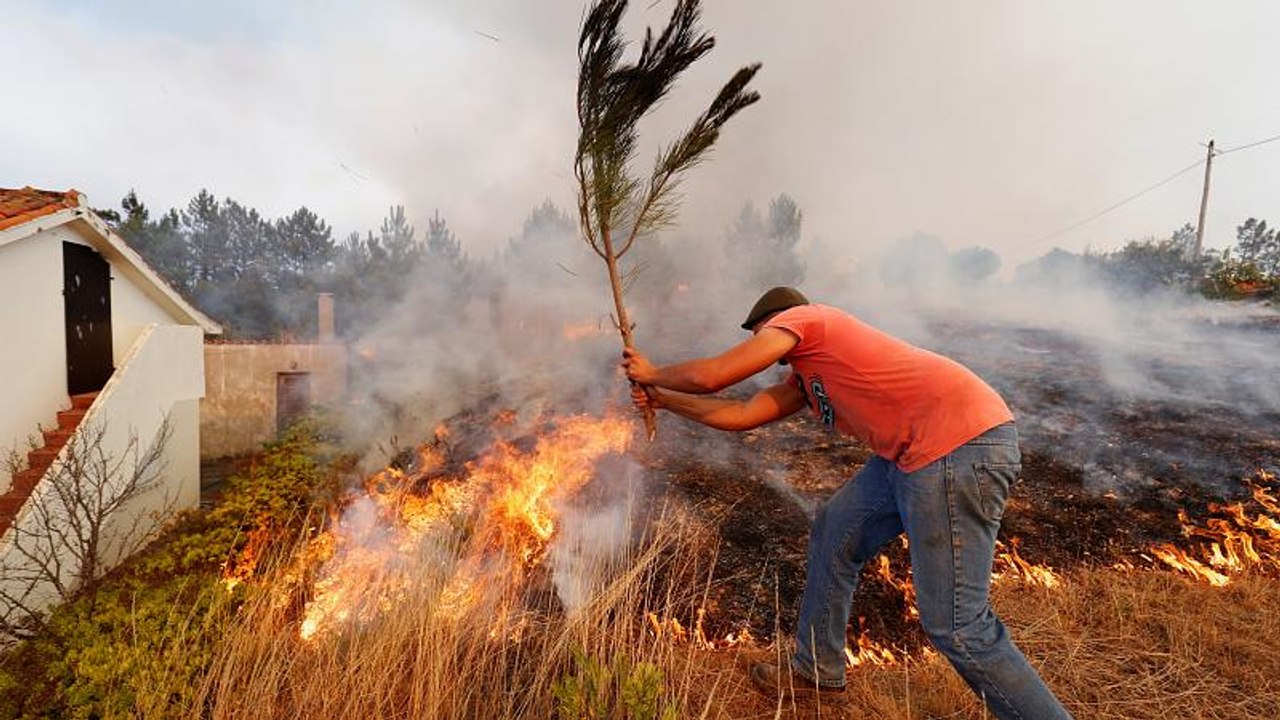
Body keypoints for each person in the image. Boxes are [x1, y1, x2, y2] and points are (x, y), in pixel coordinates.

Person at [621, 287, 1071, 719]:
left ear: (773, 323)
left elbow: (711, 376)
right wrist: (664, 400)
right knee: (835, 530)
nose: (760, 345)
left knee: (957, 625)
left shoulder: (809, 318)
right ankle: (815, 670)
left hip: (957, 447)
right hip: (908, 458)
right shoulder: (805, 376)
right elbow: (739, 416)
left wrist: (652, 372)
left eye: (759, 335)